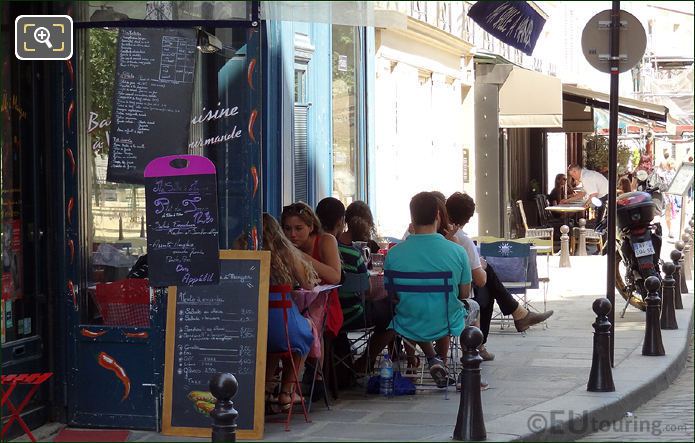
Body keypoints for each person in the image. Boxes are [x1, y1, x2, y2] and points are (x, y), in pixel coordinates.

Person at [445, 192, 554, 357]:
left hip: (419, 301)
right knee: (487, 288)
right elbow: (480, 281)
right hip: (453, 302)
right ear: (467, 219)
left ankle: (518, 314)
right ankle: (481, 344)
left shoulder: (416, 238)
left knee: (487, 281)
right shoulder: (461, 241)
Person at [384, 192, 472, 388]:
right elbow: (464, 294)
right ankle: (465, 368)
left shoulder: (394, 254)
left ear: (412, 218)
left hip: (408, 321)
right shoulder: (457, 251)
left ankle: (432, 360)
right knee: (470, 307)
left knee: (418, 307)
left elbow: (392, 295)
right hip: (446, 321)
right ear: (438, 215)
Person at [262, 213, 318, 412]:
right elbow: (308, 284)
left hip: (254, 329)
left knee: (272, 342)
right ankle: (287, 391)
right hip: (284, 328)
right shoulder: (286, 253)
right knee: (305, 329)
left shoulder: (243, 252)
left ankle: (265, 389)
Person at [336, 201, 394, 373]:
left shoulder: (330, 246)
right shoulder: (357, 253)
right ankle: (367, 359)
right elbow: (367, 291)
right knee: (393, 312)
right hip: (353, 314)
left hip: (330, 313)